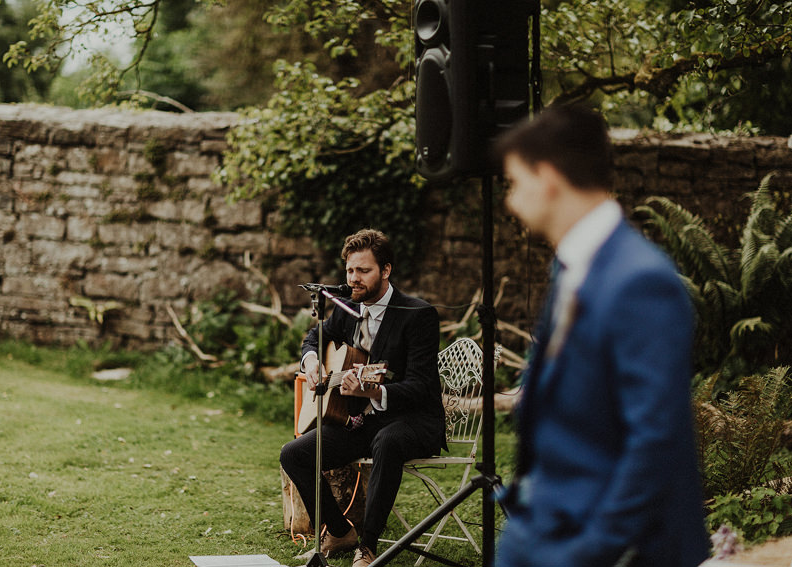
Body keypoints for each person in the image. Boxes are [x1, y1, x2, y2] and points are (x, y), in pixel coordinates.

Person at [492, 105, 709, 567]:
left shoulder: (641, 281)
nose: (511, 200)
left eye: (515, 183)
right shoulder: (573, 266)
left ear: (547, 177)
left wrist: (590, 550)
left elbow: (655, 438)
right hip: (541, 524)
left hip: (598, 543)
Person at [280, 228, 446, 567]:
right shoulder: (348, 308)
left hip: (412, 421)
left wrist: (373, 390)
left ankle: (368, 547)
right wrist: (311, 361)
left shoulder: (418, 315)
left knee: (387, 440)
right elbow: (315, 336)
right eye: (350, 270)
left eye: (363, 271)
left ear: (386, 271)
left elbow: (421, 387)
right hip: (361, 423)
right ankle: (341, 530)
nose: (354, 279)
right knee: (295, 454)